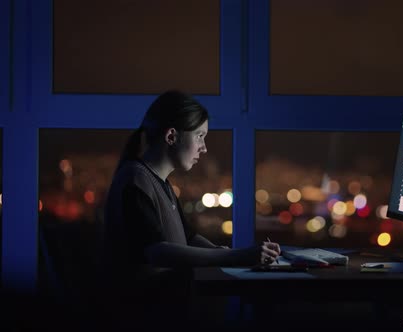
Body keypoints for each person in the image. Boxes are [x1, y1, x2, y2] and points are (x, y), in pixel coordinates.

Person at [99, 89, 281, 326]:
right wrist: (232, 256)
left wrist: (224, 253)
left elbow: (188, 237)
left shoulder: (158, 182)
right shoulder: (136, 180)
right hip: (143, 314)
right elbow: (157, 252)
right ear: (172, 136)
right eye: (199, 136)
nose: (203, 148)